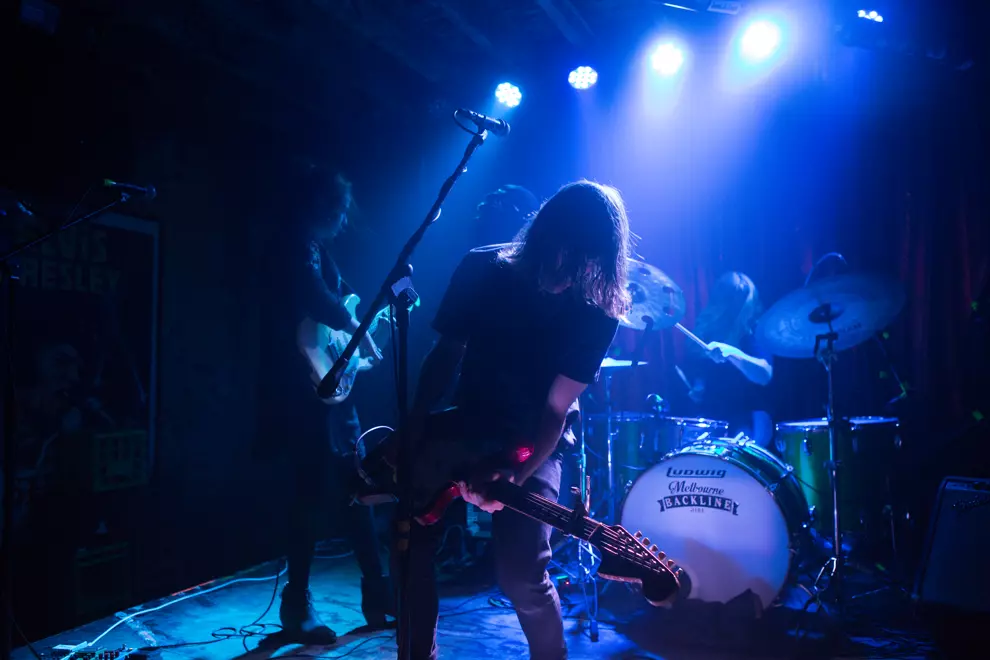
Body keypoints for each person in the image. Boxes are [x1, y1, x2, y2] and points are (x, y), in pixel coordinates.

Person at [398, 180, 630, 660]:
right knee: (409, 545)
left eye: (583, 263)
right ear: (543, 236)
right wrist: (415, 425)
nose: (565, 274)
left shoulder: (597, 315)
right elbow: (445, 354)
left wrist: (517, 475)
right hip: (466, 421)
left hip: (533, 441)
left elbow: (554, 410)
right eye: (561, 256)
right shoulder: (481, 267)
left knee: (522, 571)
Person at [258, 168, 393, 644]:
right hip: (304, 391)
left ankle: (377, 597)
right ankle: (299, 607)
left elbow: (342, 308)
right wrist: (357, 334)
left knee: (357, 488)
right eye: (337, 210)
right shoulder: (294, 245)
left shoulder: (320, 250)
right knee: (310, 496)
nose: (342, 220)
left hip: (330, 393)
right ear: (321, 207)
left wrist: (360, 333)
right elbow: (316, 300)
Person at [681, 271, 774, 446]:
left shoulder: (752, 329)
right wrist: (699, 386)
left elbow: (764, 374)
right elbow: (703, 371)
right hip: (713, 414)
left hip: (747, 413)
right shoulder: (708, 330)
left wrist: (731, 352)